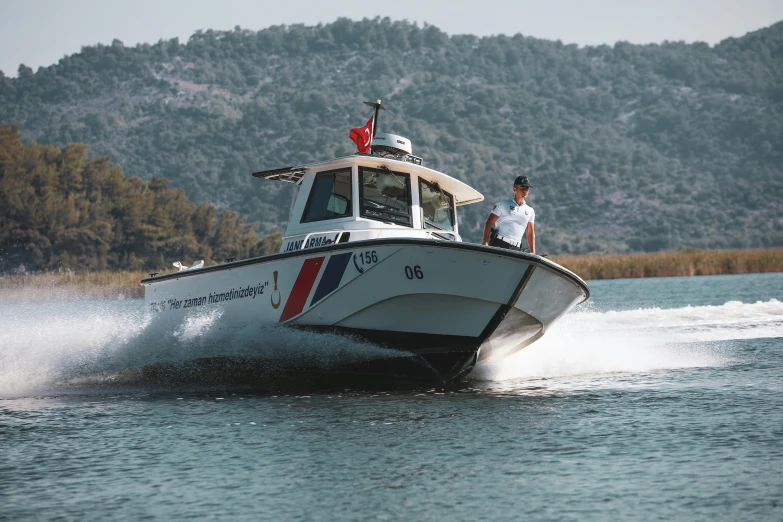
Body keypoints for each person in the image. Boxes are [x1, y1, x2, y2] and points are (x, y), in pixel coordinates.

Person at [481, 176, 536, 254]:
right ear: (514, 189)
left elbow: (530, 232)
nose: (525, 191)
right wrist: (485, 242)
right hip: (499, 244)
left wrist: (533, 252)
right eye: (522, 188)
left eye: (527, 188)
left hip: (516, 248)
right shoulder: (502, 204)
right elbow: (489, 222)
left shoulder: (530, 211)